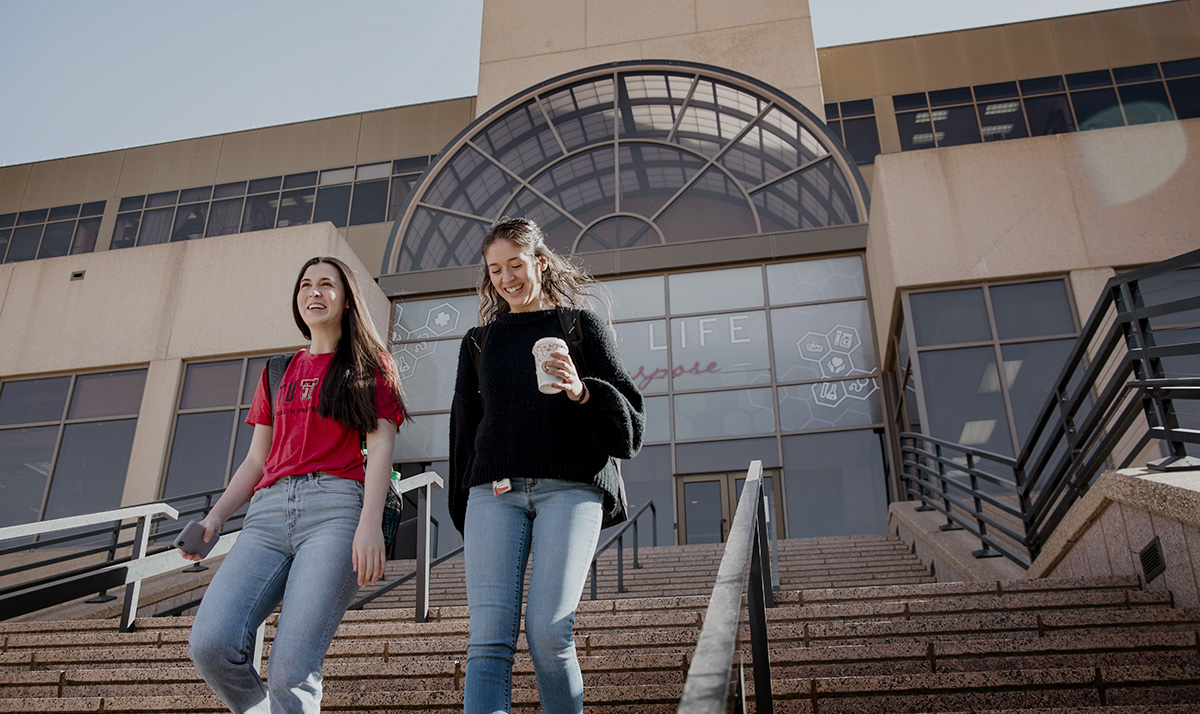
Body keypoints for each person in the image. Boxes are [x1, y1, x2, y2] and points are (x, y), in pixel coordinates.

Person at [183, 256, 407, 714]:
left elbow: (381, 448)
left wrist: (368, 525)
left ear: (347, 300)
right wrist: (215, 518)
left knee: (291, 667)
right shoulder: (277, 371)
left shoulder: (369, 364)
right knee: (211, 644)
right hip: (265, 517)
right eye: (306, 285)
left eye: (327, 284)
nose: (314, 292)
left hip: (337, 510)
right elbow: (255, 459)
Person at [449, 217, 645, 714]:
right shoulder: (478, 342)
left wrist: (583, 391)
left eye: (515, 264)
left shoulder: (579, 327)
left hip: (571, 489)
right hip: (492, 494)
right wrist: (463, 511)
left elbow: (631, 430)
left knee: (548, 631)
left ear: (539, 262)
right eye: (495, 270)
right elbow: (463, 433)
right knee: (488, 640)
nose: (506, 278)